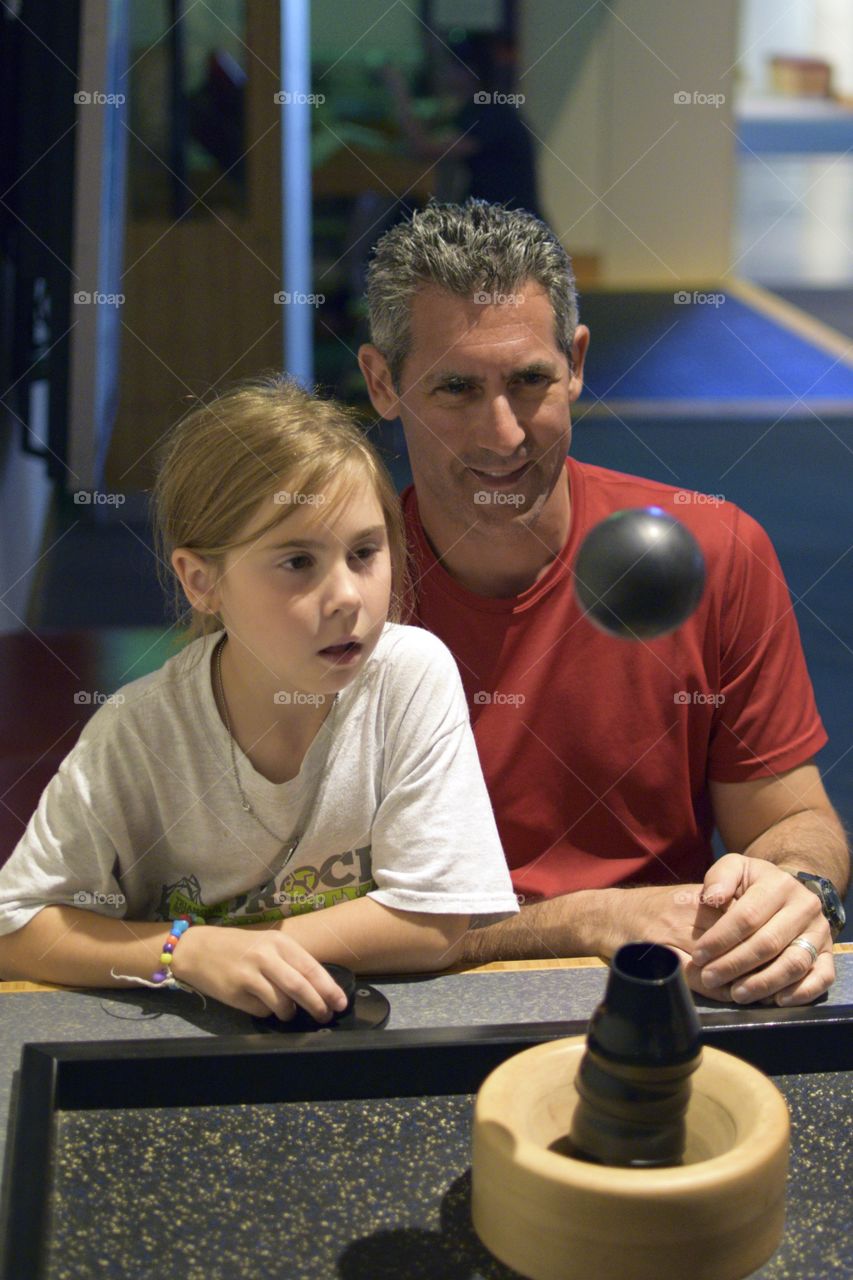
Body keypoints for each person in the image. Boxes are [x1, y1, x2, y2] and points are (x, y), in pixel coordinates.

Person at [358, 199, 850, 1008]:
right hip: (409, 1007)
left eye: (528, 382)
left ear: (576, 363)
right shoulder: (327, 601)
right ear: (382, 383)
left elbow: (792, 820)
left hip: (663, 994)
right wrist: (581, 919)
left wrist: (793, 890)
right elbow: (302, 913)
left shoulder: (713, 552)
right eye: (454, 389)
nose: (503, 435)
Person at [0, 378, 518, 1019]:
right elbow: (17, 929)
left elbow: (433, 919)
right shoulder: (137, 731)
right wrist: (183, 954)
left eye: (364, 552)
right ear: (200, 580)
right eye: (298, 561)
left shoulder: (410, 675)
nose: (348, 597)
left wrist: (234, 951)